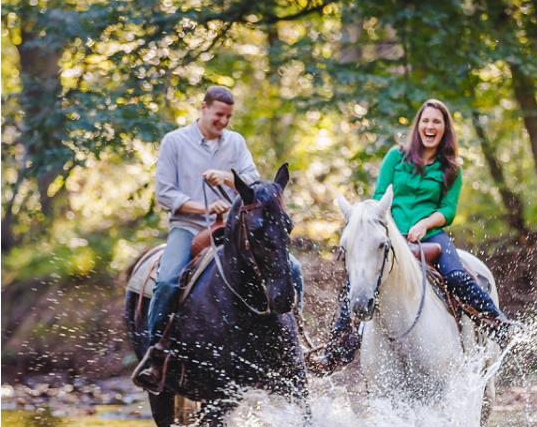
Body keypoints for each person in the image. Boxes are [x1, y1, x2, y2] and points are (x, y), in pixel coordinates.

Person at [132, 85, 304, 393]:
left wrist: (227, 178)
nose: (223, 121)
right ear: (203, 108)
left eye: (228, 116)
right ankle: (157, 351)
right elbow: (165, 194)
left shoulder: (235, 143)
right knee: (169, 279)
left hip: (232, 228)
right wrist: (205, 207)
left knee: (292, 268)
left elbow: (254, 188)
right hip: (187, 226)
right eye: (218, 115)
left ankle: (295, 339)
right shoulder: (175, 142)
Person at [322, 98, 516, 369]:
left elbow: (448, 210)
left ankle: (499, 325)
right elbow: (380, 197)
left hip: (432, 235)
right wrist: (388, 230)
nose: (430, 126)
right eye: (426, 120)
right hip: (392, 235)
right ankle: (338, 348)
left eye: (437, 121)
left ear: (444, 128)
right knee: (358, 281)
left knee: (457, 275)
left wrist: (425, 224)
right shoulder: (395, 157)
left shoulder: (451, 168)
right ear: (418, 125)